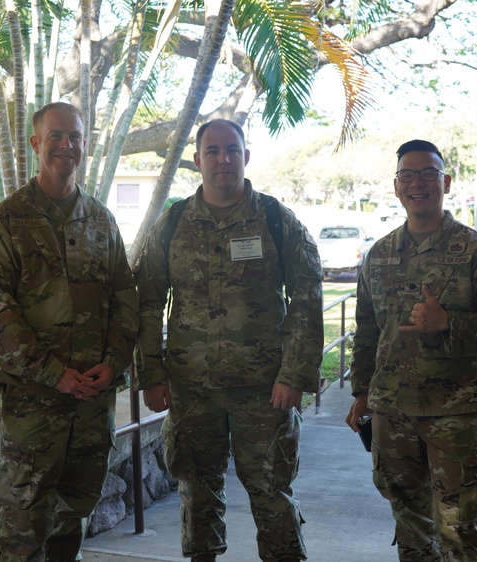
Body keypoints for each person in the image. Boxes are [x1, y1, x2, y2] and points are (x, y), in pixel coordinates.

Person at [134, 118, 324, 562]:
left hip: (264, 393)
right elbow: (146, 300)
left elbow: (308, 297)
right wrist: (152, 374)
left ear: (246, 157)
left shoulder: (276, 220)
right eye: (214, 151)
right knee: (197, 493)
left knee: (272, 493)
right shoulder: (174, 223)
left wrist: (294, 375)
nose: (224, 159)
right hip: (191, 390)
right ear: (198, 160)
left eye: (232, 150)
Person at [0, 102, 138, 562]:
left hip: (91, 405)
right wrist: (53, 373)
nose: (67, 145)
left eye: (76, 137)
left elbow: (126, 296)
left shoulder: (101, 221)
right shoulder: (8, 221)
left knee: (71, 524)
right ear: (35, 143)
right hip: (34, 406)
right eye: (57, 136)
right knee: (23, 532)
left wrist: (114, 362)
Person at [345, 139, 477, 561]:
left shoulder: (476, 252)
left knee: (460, 527)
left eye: (428, 173)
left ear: (446, 181)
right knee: (409, 522)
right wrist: (361, 393)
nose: (417, 183)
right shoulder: (379, 254)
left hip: (454, 412)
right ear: (396, 185)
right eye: (408, 174)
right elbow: (367, 331)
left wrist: (449, 322)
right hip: (391, 412)